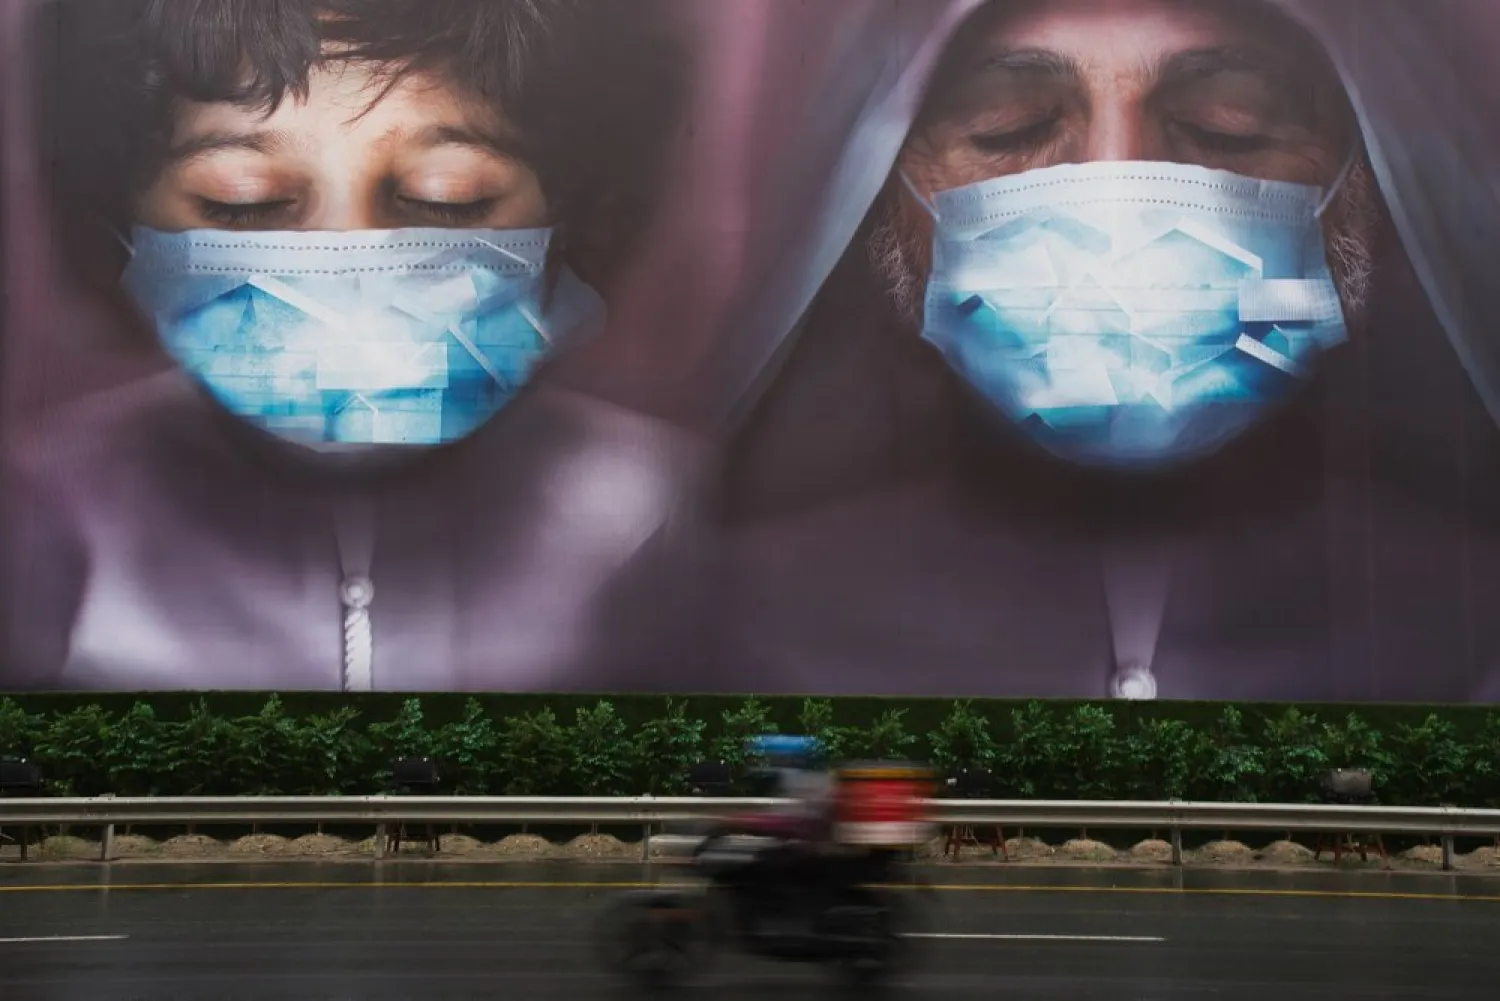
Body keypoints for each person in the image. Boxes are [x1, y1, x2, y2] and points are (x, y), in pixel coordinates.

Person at [718, 0, 1500, 702]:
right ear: (879, 194)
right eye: (1010, 129)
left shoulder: (1469, 626)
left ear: (1367, 183)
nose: (1118, 195)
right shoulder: (732, 615)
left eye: (1226, 126)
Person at [0, 0, 693, 692]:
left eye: (446, 198)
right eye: (244, 202)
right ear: (120, 217)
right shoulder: (39, 516)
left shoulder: (655, 518)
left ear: (573, 215)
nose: (352, 271)